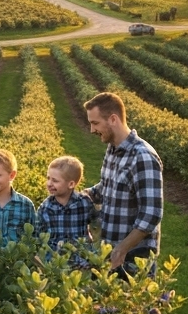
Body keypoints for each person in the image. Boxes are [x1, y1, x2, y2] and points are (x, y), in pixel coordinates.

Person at [82, 92, 163, 278]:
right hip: (110, 249)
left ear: (112, 119)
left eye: (95, 123)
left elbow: (151, 214)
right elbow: (105, 188)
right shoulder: (113, 149)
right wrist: (75, 196)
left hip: (134, 258)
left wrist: (122, 249)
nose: (92, 129)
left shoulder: (142, 156)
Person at [37, 155, 97, 250]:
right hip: (56, 260)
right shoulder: (45, 208)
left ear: (71, 184)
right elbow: (39, 236)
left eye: (55, 181)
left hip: (82, 258)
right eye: (48, 178)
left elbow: (96, 224)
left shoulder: (84, 203)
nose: (49, 184)